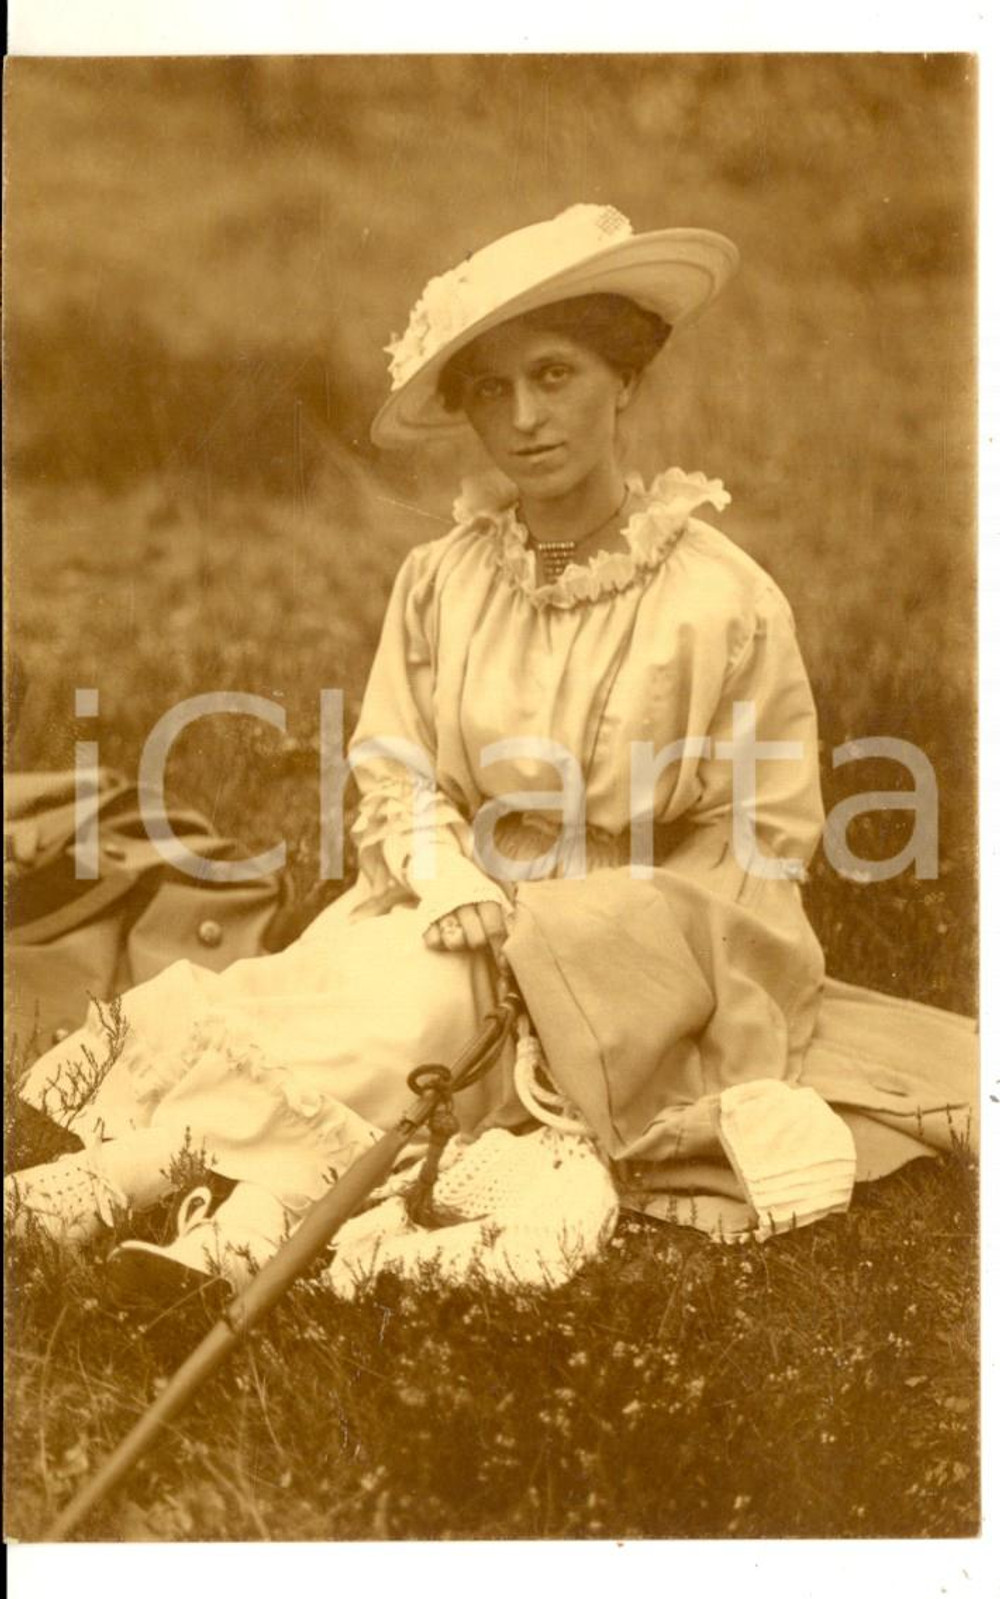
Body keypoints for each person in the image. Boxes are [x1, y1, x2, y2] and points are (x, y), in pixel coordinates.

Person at [7, 204, 977, 1293]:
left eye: (554, 376)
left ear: (624, 377)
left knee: (427, 1020)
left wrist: (598, 943)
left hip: (645, 933)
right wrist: (444, 872)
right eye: (489, 390)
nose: (524, 419)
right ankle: (154, 1178)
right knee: (389, 990)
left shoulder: (725, 603)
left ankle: (240, 1223)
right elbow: (395, 764)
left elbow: (764, 838)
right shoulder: (445, 580)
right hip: (460, 897)